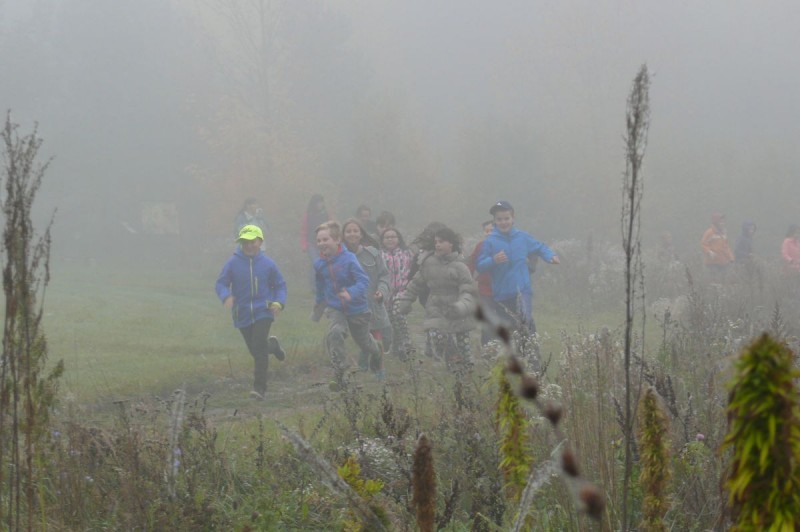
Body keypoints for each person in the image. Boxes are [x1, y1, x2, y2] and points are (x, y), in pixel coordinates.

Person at [215, 225, 287, 400]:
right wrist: (226, 296)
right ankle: (273, 346)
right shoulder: (232, 263)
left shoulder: (268, 264)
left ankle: (259, 388)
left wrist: (278, 302)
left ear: (260, 242)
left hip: (264, 311)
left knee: (258, 346)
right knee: (256, 350)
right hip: (243, 313)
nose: (249, 245)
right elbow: (221, 283)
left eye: (252, 242)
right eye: (245, 242)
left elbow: (280, 285)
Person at [312, 221, 383, 387]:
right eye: (319, 241)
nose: (321, 244)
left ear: (337, 240)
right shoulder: (319, 264)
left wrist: (351, 293)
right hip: (336, 308)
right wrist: (318, 304)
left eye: (325, 239)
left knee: (364, 342)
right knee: (334, 333)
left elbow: (363, 280)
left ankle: (377, 349)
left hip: (357, 308)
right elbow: (320, 285)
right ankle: (340, 371)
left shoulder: (349, 259)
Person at [396, 226, 477, 372]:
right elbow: (415, 283)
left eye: (441, 241)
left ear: (451, 244)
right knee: (438, 336)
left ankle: (466, 370)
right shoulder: (428, 263)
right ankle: (452, 363)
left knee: (463, 345)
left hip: (457, 309)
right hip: (436, 308)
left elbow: (468, 290)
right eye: (436, 242)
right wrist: (406, 301)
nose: (438, 245)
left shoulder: (460, 266)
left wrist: (461, 306)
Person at [476, 201, 559, 342]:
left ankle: (533, 359)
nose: (503, 222)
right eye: (499, 219)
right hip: (501, 294)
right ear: (495, 221)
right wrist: (493, 260)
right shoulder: (490, 241)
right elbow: (480, 266)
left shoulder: (522, 237)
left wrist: (550, 256)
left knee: (525, 323)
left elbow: (539, 247)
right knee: (508, 329)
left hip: (522, 290)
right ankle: (514, 358)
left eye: (506, 218)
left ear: (512, 218)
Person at [342, 218, 390, 379]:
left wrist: (382, 291)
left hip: (372, 304)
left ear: (361, 234)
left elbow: (384, 276)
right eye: (348, 231)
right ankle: (360, 363)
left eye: (355, 230)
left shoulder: (373, 254)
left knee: (375, 337)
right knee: (361, 337)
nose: (352, 234)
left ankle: (380, 370)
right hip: (351, 307)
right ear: (343, 235)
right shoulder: (340, 257)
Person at [380, 227, 414, 358]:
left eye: (393, 236)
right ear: (382, 240)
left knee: (398, 314)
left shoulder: (407, 253)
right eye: (387, 237)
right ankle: (395, 347)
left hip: (402, 291)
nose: (390, 239)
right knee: (389, 321)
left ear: (398, 239)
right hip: (385, 293)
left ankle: (406, 344)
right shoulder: (379, 255)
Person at [468, 220, 496, 345]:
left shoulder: (506, 245)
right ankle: (487, 347)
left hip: (504, 289)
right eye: (486, 231)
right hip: (485, 288)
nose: (489, 233)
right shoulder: (480, 246)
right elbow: (472, 263)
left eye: (492, 230)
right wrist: (467, 279)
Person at [301, 194, 331, 295]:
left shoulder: (326, 215)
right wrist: (304, 245)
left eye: (321, 202)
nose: (320, 204)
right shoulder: (308, 215)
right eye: (318, 202)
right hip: (312, 244)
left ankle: (323, 285)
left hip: (325, 244)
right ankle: (314, 288)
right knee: (315, 264)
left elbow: (332, 229)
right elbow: (304, 230)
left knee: (324, 264)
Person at [700, 213, 734, 278]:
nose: (723, 224)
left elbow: (726, 247)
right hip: (712, 263)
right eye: (720, 222)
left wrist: (731, 258)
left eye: (723, 222)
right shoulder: (709, 232)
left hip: (724, 262)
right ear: (716, 223)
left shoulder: (724, 233)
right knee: (714, 281)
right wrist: (709, 252)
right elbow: (703, 244)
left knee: (723, 281)